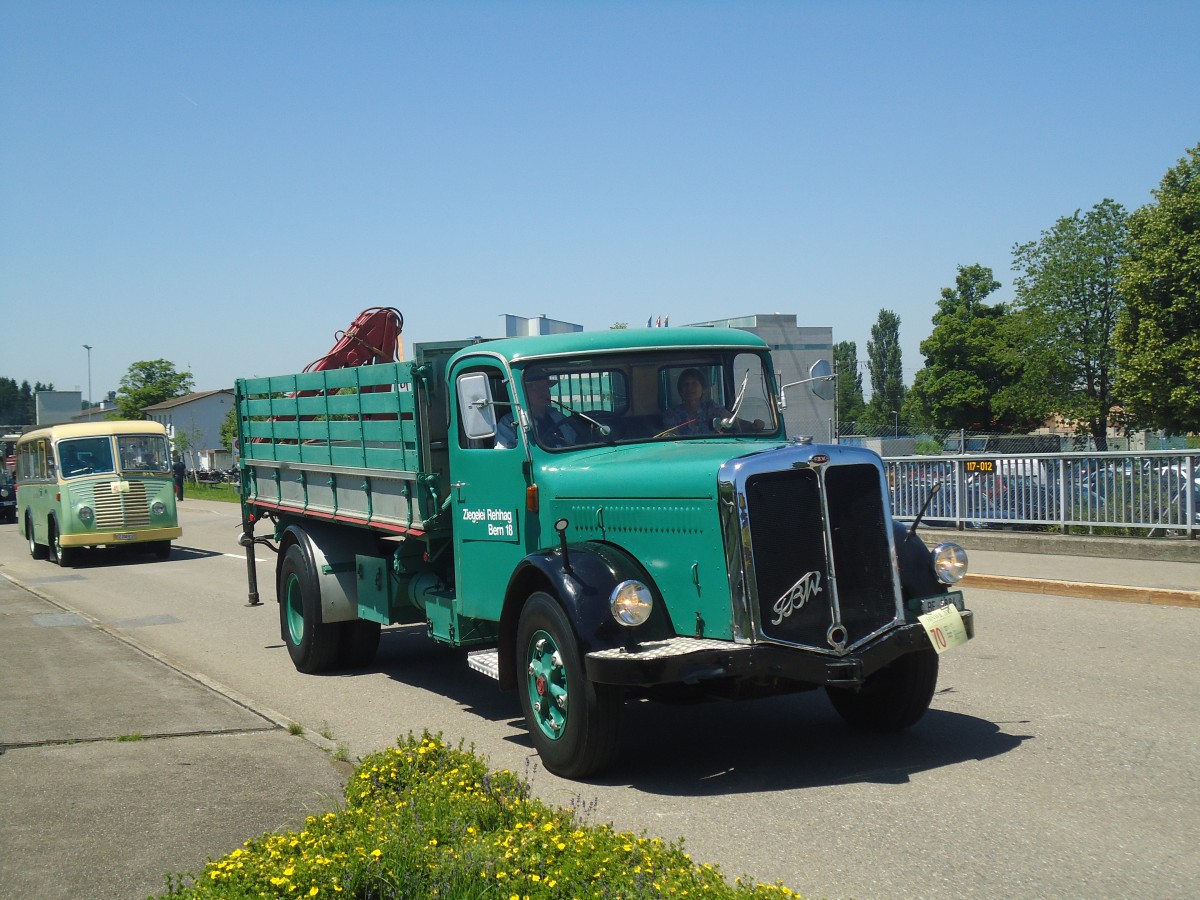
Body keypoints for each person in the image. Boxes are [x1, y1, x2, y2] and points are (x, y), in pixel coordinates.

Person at [661, 368, 765, 436]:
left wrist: (754, 426)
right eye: (686, 384)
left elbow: (735, 422)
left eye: (694, 383)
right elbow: (674, 440)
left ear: (703, 389)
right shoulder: (671, 415)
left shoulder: (712, 409)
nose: (690, 388)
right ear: (680, 390)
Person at [494, 373, 577, 449]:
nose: (544, 392)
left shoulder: (557, 416)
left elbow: (575, 441)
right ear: (523, 392)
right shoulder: (510, 422)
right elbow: (505, 454)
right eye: (537, 388)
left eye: (546, 387)